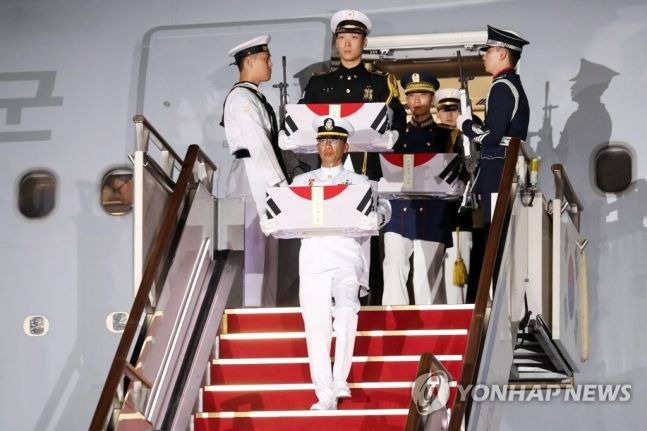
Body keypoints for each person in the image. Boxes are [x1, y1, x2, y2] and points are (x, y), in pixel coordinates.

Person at [299, 9, 406, 303]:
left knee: (364, 233)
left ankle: (366, 296)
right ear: (336, 42)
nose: (347, 44)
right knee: (326, 229)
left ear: (364, 41)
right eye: (343, 37)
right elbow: (301, 121)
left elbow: (398, 120)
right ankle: (328, 295)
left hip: (365, 166)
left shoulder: (382, 82)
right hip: (325, 170)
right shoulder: (319, 84)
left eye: (354, 37)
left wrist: (391, 136)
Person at [287, 116, 390, 410]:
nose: (327, 146)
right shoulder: (300, 182)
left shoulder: (360, 182)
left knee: (346, 312)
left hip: (346, 255)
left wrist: (376, 218)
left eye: (333, 141)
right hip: (313, 258)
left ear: (345, 146)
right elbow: (289, 218)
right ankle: (325, 394)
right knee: (316, 326)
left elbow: (380, 213)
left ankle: (340, 378)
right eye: (322, 141)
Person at [457, 25, 530, 303]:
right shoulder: (512, 85)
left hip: (498, 171)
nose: (484, 56)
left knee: (492, 240)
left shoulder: (501, 86)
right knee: (493, 239)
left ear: (501, 54)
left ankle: (485, 299)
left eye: (488, 51)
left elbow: (493, 136)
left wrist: (465, 125)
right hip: (500, 170)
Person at [222, 35, 289, 307]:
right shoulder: (241, 98)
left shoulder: (253, 96)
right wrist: (281, 186)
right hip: (251, 176)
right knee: (253, 251)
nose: (270, 63)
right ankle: (251, 312)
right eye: (265, 58)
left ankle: (264, 311)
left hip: (260, 175)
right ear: (248, 61)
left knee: (266, 250)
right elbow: (259, 144)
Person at [382, 72, 454, 305]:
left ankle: (431, 324)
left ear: (433, 99)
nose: (416, 101)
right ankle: (392, 319)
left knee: (428, 274)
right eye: (411, 95)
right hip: (398, 207)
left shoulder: (447, 135)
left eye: (422, 95)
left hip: (433, 210)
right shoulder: (395, 136)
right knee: (393, 265)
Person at [435, 88, 473, 304]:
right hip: (433, 209)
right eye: (444, 109)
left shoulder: (468, 137)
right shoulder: (433, 136)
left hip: (459, 210)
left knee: (458, 264)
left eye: (454, 109)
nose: (449, 114)